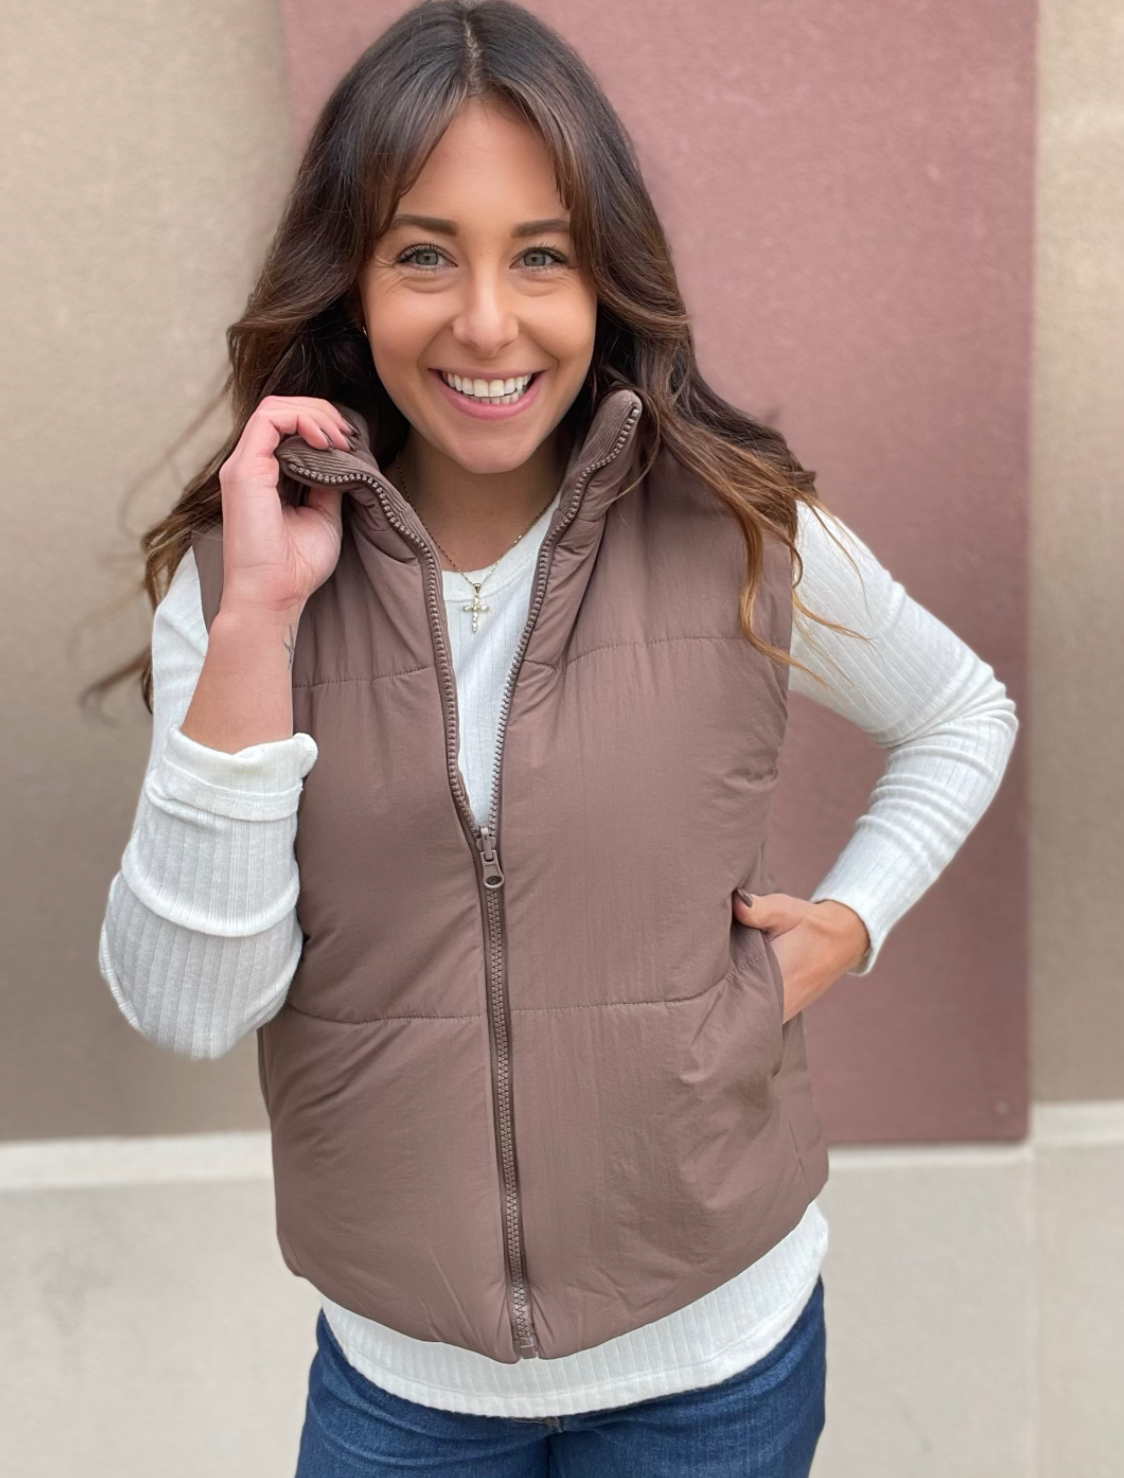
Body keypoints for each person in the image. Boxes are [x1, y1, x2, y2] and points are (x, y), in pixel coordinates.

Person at [92, 2, 1019, 1473]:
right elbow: (193, 1005)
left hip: (717, 1363)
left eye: (541, 254)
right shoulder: (245, 584)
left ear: (605, 279)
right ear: (352, 279)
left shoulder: (736, 530)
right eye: (423, 255)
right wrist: (261, 616)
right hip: (405, 1392)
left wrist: (849, 925)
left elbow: (962, 711)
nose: (485, 320)